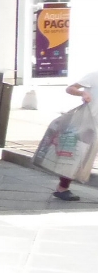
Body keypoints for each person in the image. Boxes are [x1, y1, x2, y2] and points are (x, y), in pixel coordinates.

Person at [52, 69, 98, 202]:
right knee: (77, 156)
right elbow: (70, 88)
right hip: (88, 123)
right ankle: (62, 188)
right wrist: (82, 93)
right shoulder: (94, 76)